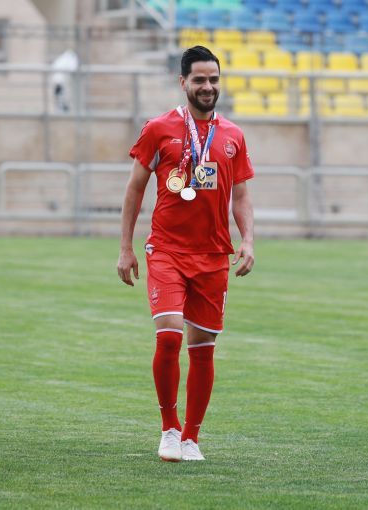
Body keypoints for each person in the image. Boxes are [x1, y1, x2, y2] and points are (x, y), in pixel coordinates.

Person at [117, 46, 255, 462]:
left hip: (213, 254)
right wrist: (125, 247)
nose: (208, 86)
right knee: (169, 334)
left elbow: (241, 195)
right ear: (183, 83)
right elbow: (135, 189)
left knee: (203, 346)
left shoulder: (233, 136)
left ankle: (192, 437)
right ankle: (169, 429)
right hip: (167, 250)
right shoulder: (158, 129)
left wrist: (248, 240)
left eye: (213, 79)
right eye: (199, 79)